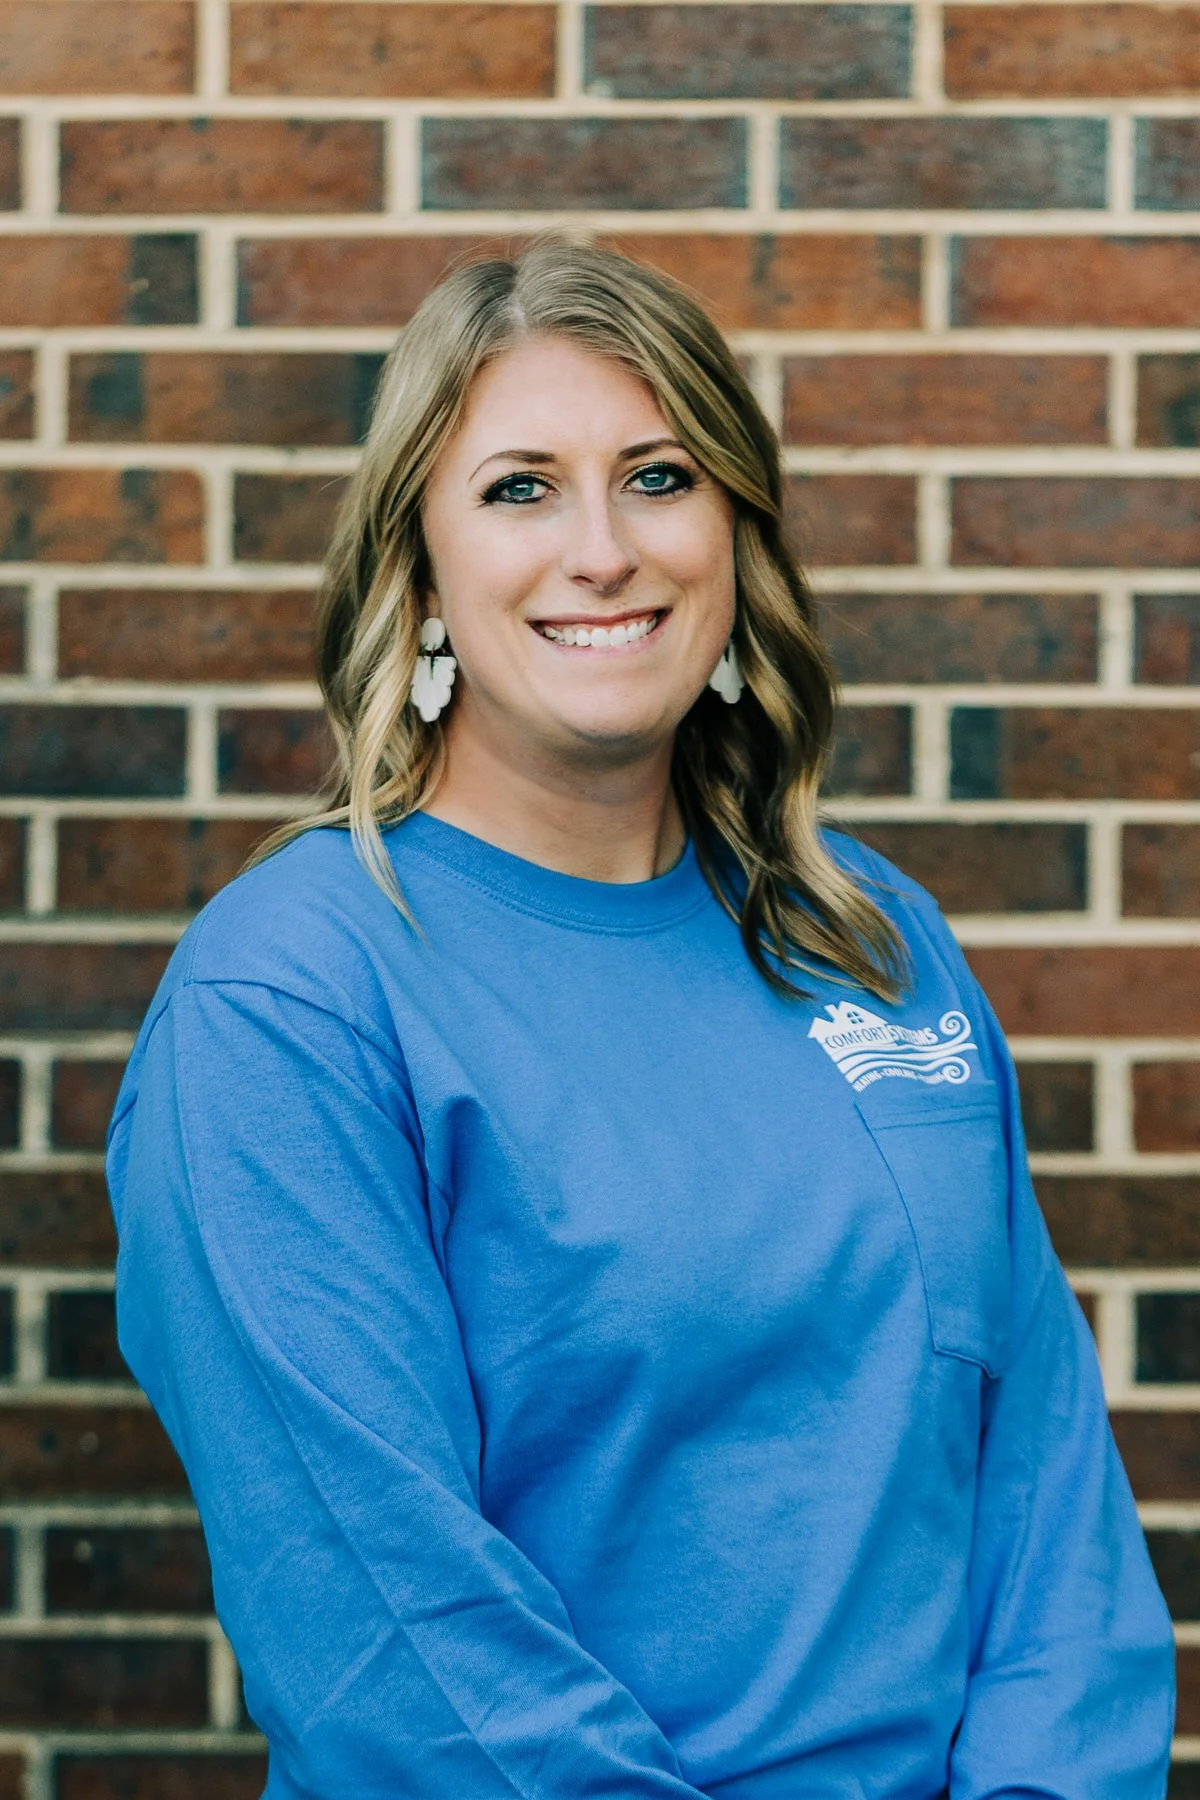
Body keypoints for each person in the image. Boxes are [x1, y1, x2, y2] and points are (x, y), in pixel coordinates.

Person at [107, 237, 1174, 1798]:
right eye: (520, 490)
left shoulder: (871, 939)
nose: (602, 551)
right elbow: (388, 1637)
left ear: (734, 537)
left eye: (659, 477)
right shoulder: (289, 1000)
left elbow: (1045, 1490)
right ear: (421, 572)